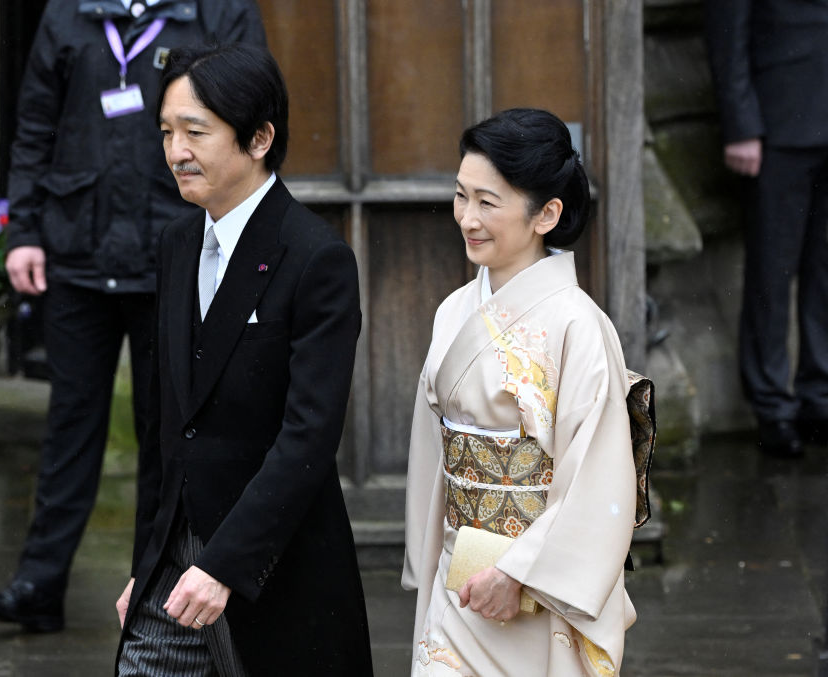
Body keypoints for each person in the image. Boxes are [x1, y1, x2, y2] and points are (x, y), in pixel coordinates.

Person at [0, 0, 266, 632]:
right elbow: (35, 125)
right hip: (77, 252)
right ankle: (38, 586)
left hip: (177, 254)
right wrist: (23, 230)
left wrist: (239, 239)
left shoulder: (219, 11)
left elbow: (253, 119)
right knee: (69, 426)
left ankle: (151, 592)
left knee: (167, 435)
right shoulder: (67, 13)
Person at [113, 43, 375, 676]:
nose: (176, 151)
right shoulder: (177, 243)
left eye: (195, 132)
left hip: (274, 562)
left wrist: (226, 563)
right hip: (173, 560)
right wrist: (142, 565)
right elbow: (163, 426)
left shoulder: (315, 258)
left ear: (260, 138)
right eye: (167, 132)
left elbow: (307, 437)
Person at [402, 109, 639, 676]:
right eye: (462, 197)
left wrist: (519, 574)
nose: (468, 218)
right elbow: (435, 457)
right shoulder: (454, 310)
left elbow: (598, 478)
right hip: (458, 573)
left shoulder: (579, 325)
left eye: (489, 201)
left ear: (547, 213)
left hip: (538, 585)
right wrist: (434, 553)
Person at [705, 0, 828, 458]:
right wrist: (740, 126)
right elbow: (726, 33)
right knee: (772, 272)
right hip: (778, 124)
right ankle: (773, 406)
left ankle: (820, 399)